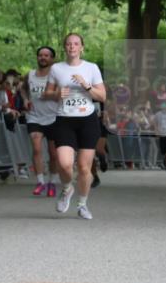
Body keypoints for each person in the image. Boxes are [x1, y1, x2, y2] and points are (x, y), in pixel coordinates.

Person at [43, 33, 106, 219]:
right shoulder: (56, 68)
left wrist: (86, 86)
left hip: (87, 120)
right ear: (65, 47)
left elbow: (102, 97)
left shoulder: (91, 68)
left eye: (76, 44)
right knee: (64, 164)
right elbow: (47, 93)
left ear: (82, 48)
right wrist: (57, 94)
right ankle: (67, 189)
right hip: (64, 119)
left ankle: (82, 204)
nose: (72, 47)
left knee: (85, 168)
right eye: (69, 44)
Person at [22, 46, 61, 197]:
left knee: (53, 154)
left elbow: (62, 94)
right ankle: (40, 182)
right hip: (35, 117)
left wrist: (50, 95)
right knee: (37, 149)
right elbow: (23, 89)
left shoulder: (57, 76)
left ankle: (52, 182)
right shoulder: (30, 75)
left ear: (52, 59)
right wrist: (26, 100)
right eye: (40, 55)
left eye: (46, 55)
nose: (43, 58)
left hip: (53, 117)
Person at [155, 101, 166, 170]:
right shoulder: (158, 114)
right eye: (164, 107)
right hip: (162, 134)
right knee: (163, 150)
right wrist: (156, 132)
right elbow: (155, 123)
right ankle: (165, 162)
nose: (165, 108)